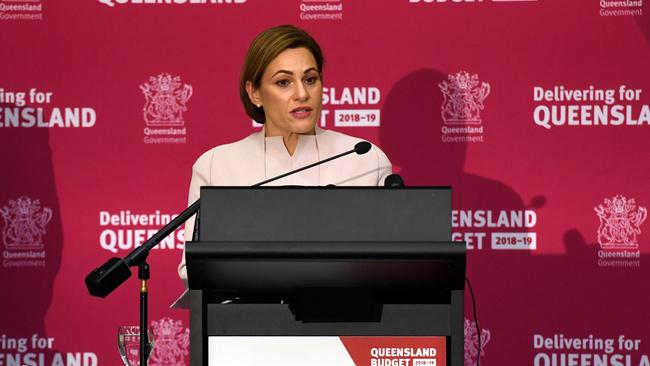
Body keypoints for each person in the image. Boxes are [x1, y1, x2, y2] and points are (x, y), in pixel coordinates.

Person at [178, 25, 392, 284]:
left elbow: (386, 266)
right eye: (283, 82)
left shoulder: (365, 159)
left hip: (345, 319)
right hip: (245, 320)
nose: (302, 94)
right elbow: (192, 269)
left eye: (310, 79)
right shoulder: (216, 165)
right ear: (254, 92)